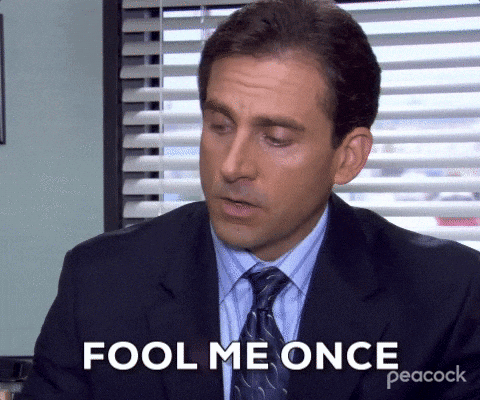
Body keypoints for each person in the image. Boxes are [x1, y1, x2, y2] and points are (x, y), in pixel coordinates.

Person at [19, 0, 480, 399]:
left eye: (275, 138)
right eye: (219, 126)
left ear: (347, 157)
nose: (232, 166)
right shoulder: (100, 283)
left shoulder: (448, 297)